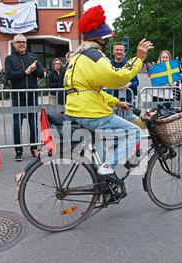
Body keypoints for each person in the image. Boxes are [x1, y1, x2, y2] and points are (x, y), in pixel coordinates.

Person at [64, 5, 153, 176]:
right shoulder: (94, 56)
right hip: (90, 112)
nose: (107, 43)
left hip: (77, 109)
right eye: (106, 40)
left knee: (103, 143)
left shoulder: (77, 57)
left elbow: (89, 91)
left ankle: (102, 183)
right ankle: (107, 169)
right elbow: (116, 78)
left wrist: (116, 102)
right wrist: (139, 59)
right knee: (134, 131)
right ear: (99, 39)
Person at [5, 33, 44, 162]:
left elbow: (41, 74)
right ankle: (18, 151)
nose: (22, 44)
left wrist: (34, 69)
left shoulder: (33, 56)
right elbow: (9, 75)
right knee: (17, 124)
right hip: (17, 96)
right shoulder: (9, 58)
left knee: (33, 123)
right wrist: (26, 72)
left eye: (24, 42)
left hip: (32, 95)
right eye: (19, 42)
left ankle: (34, 150)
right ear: (14, 44)